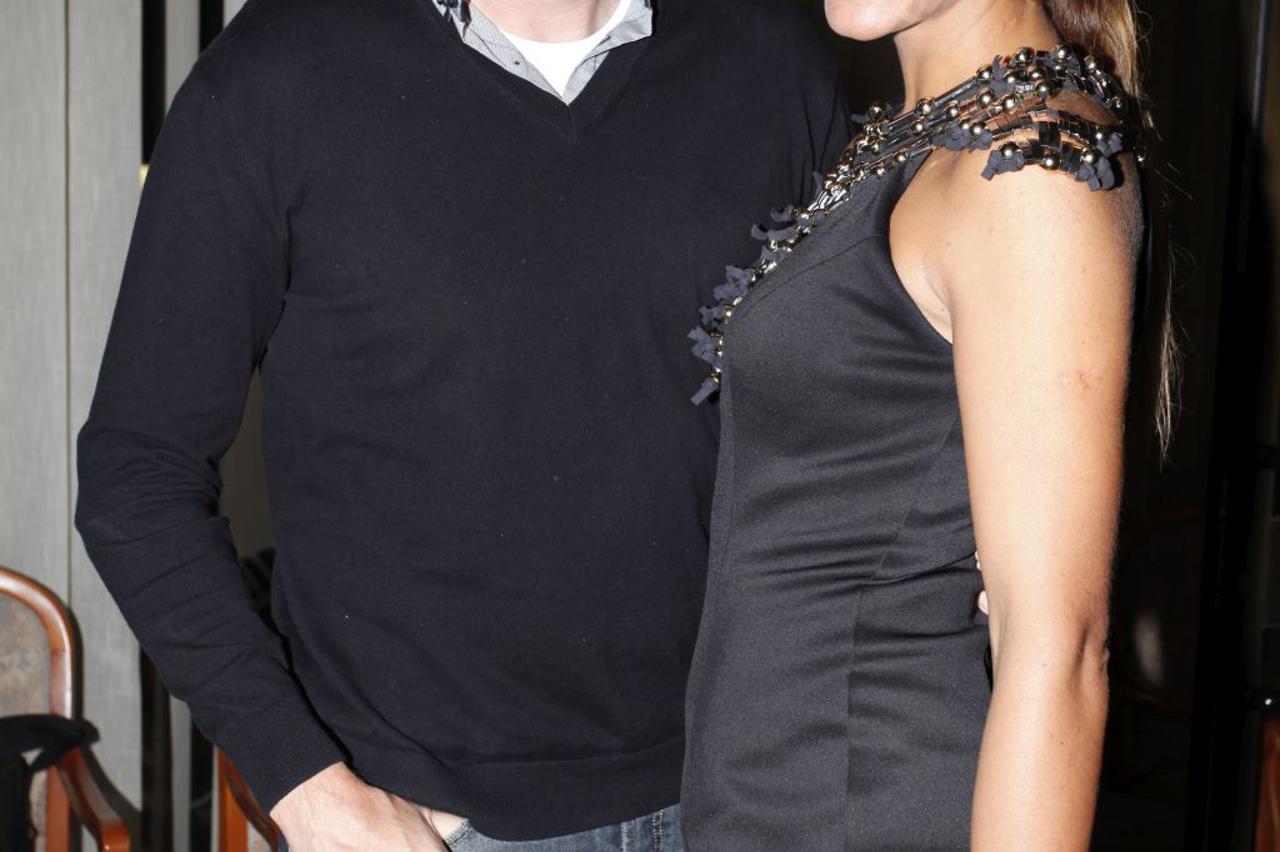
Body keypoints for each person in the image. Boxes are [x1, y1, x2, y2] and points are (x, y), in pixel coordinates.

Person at [72, 0, 849, 849]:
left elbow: (844, 430)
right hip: (428, 818)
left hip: (747, 787)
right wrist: (304, 782)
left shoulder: (772, 52)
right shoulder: (279, 70)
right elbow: (135, 475)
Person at [680, 0, 1164, 848]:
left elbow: (1056, 650)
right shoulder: (922, 137)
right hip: (778, 803)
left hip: (862, 810)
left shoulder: (1031, 171)